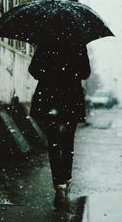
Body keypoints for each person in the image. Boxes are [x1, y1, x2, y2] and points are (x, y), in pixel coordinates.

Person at [28, 41, 90, 208]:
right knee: (68, 141)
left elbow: (33, 70)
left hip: (50, 98)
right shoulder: (78, 44)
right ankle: (67, 178)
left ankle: (59, 186)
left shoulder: (46, 42)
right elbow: (86, 73)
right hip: (71, 98)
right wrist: (71, 73)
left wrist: (49, 74)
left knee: (54, 143)